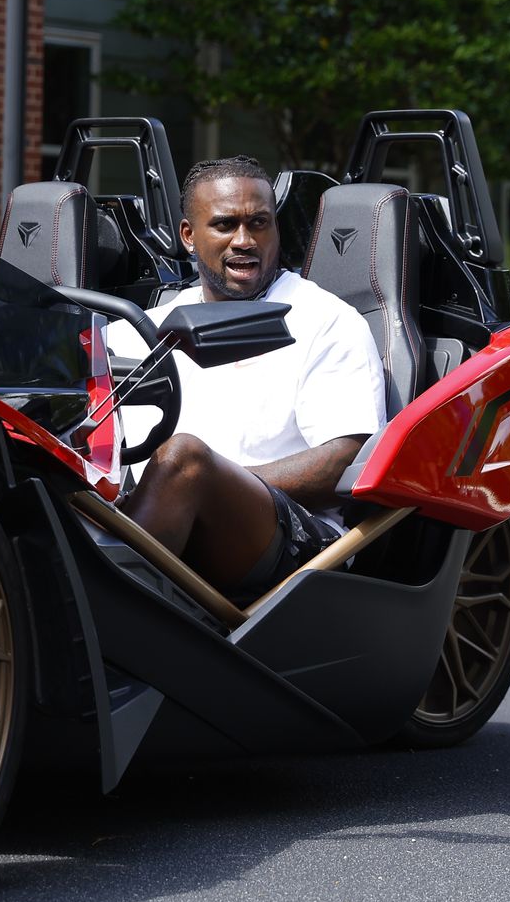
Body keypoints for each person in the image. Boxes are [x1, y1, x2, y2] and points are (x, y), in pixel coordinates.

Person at [107, 156, 385, 605]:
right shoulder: (135, 330)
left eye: (259, 223)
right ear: (188, 236)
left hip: (297, 539)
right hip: (149, 518)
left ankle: (103, 623)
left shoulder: (326, 320)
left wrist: (202, 484)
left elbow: (346, 458)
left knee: (183, 458)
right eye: (225, 225)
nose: (244, 240)